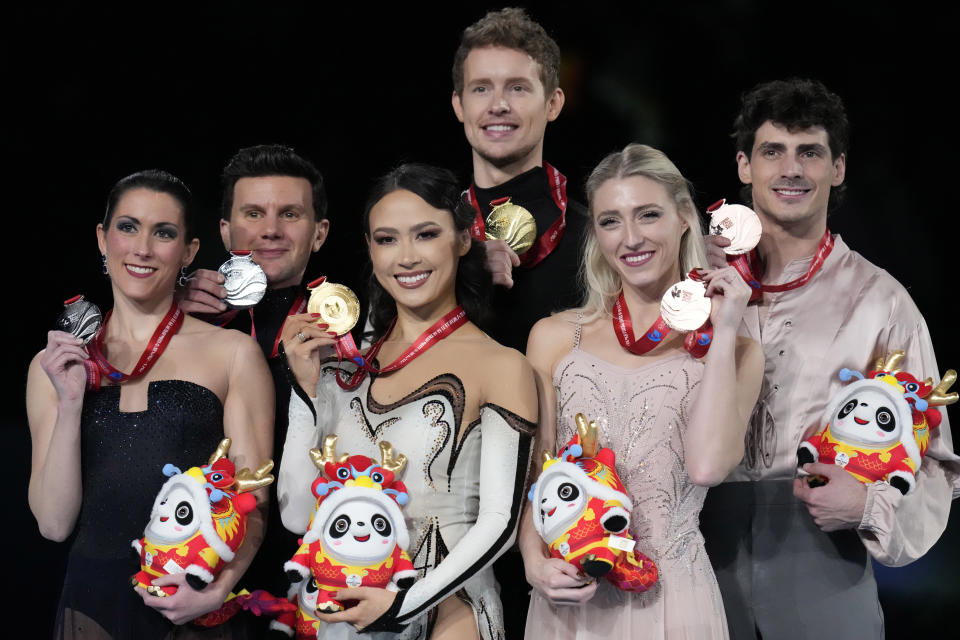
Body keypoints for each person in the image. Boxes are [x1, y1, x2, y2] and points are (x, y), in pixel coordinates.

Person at [698, 78, 959, 639]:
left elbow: (936, 462)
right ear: (744, 166)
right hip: (696, 555)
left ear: (837, 169)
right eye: (773, 152)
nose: (791, 169)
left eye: (810, 152)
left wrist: (867, 504)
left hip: (822, 555)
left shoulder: (882, 301)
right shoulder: (693, 285)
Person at [277, 163, 538, 639]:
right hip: (343, 614)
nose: (407, 257)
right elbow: (297, 516)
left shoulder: (502, 365)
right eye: (387, 239)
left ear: (463, 239)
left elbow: (500, 525)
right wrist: (305, 390)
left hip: (448, 616)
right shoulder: (344, 368)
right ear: (371, 249)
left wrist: (399, 604)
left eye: (425, 234)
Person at [519, 144, 763, 638]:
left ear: (685, 218)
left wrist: (725, 329)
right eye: (611, 221)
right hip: (570, 594)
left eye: (648, 215)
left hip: (674, 598)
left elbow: (708, 467)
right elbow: (535, 471)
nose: (631, 238)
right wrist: (532, 559)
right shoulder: (553, 337)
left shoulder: (737, 352)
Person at [26, 170, 273, 638]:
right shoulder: (54, 365)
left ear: (189, 251)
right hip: (92, 608)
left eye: (163, 233)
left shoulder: (233, 353)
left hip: (195, 604)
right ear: (102, 239)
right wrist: (70, 401)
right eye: (127, 226)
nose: (142, 247)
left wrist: (218, 589)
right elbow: (55, 524)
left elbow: (252, 501)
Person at [176, 144, 330, 598]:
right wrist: (170, 307)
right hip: (195, 565)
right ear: (225, 230)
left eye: (290, 214)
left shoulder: (350, 334)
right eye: (254, 213)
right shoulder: (187, 320)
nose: (271, 230)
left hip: (310, 572)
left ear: (319, 232)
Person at [451, 7, 586, 352]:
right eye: (481, 89)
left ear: (553, 104)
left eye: (518, 89)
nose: (498, 105)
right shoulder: (434, 239)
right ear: (459, 106)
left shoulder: (597, 238)